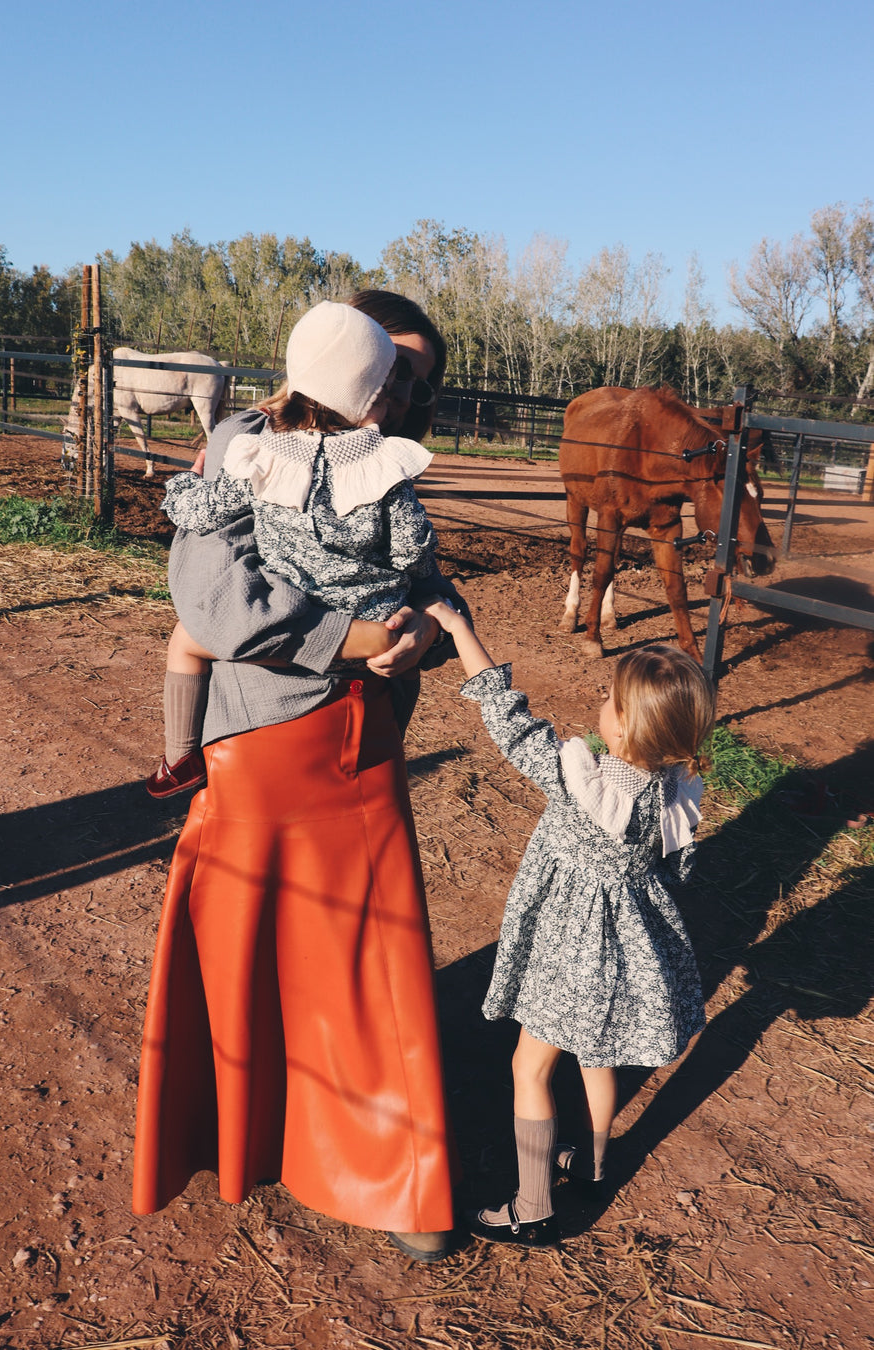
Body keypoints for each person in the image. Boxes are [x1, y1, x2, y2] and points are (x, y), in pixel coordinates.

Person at [132, 292, 465, 1265]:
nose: (395, 394)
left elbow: (428, 587)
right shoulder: (243, 442)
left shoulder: (382, 476)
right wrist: (352, 637)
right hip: (264, 740)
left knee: (373, 967)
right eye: (387, 370)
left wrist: (419, 637)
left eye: (413, 383)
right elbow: (211, 600)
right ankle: (245, 1134)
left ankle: (402, 1173)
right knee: (250, 952)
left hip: (363, 742)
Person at [423, 601, 716, 1249]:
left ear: (621, 731)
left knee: (531, 1068)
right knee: (596, 1056)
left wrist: (461, 629)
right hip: (625, 955)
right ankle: (592, 1163)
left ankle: (533, 1208)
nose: (600, 702)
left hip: (567, 954)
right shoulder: (671, 792)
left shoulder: (584, 781)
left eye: (609, 698)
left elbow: (510, 722)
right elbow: (677, 871)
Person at [145, 300, 437, 798]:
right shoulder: (384, 467)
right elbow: (416, 555)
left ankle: (179, 756)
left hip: (365, 706)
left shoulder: (263, 457)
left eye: (416, 383)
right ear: (370, 391)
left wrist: (180, 489)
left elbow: (202, 511)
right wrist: (378, 626)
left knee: (183, 642)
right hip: (280, 714)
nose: (403, 399)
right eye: (395, 378)